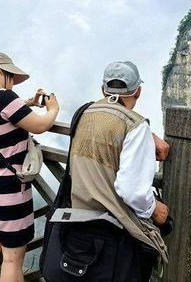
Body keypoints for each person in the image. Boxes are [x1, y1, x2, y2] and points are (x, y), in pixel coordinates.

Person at [67, 61, 170, 281]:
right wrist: (154, 209)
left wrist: (147, 137)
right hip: (114, 233)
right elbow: (131, 191)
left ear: (103, 90)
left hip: (79, 223)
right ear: (138, 91)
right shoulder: (136, 125)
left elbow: (108, 126)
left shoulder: (84, 112)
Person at [0, 52, 59, 282]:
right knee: (12, 258)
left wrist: (27, 102)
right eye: (10, 75)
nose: (12, 81)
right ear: (0, 72)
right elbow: (39, 126)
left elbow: (3, 115)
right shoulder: (5, 98)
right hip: (9, 187)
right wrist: (52, 110)